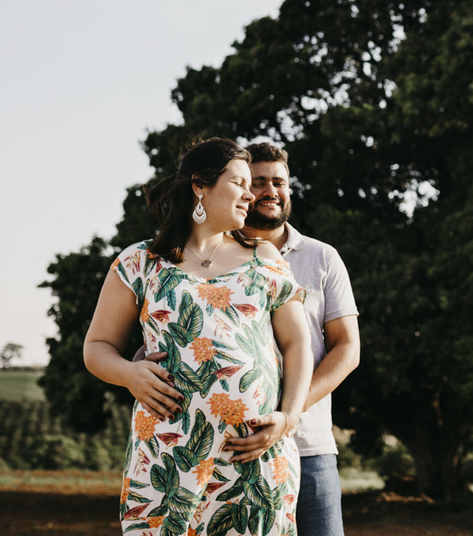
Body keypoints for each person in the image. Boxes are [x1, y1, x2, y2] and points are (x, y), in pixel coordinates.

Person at [84, 138, 312, 536]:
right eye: (239, 182)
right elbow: (96, 347)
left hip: (252, 461)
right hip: (168, 455)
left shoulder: (265, 258)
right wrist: (128, 374)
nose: (251, 193)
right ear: (200, 186)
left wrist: (288, 419)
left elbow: (298, 344)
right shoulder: (140, 262)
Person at [223, 142, 360, 536]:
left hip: (308, 446)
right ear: (242, 190)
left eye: (279, 182)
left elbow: (347, 348)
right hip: (231, 449)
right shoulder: (209, 256)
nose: (270, 191)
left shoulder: (321, 257)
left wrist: (289, 413)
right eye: (259, 182)